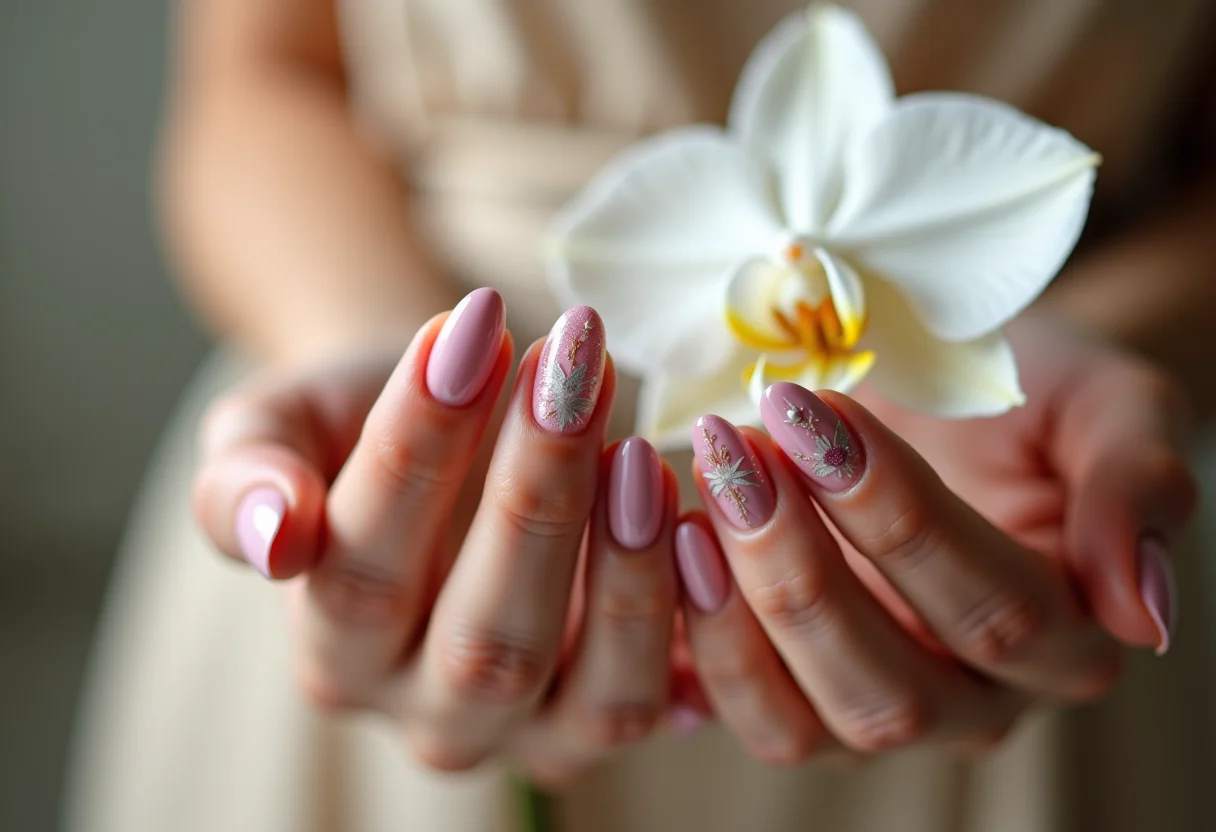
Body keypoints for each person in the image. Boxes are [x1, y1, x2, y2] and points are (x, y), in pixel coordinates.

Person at [64, 1, 1216, 830]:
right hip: (400, 509)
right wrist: (382, 361)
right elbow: (260, 82)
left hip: (1002, 524)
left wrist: (1117, 341)